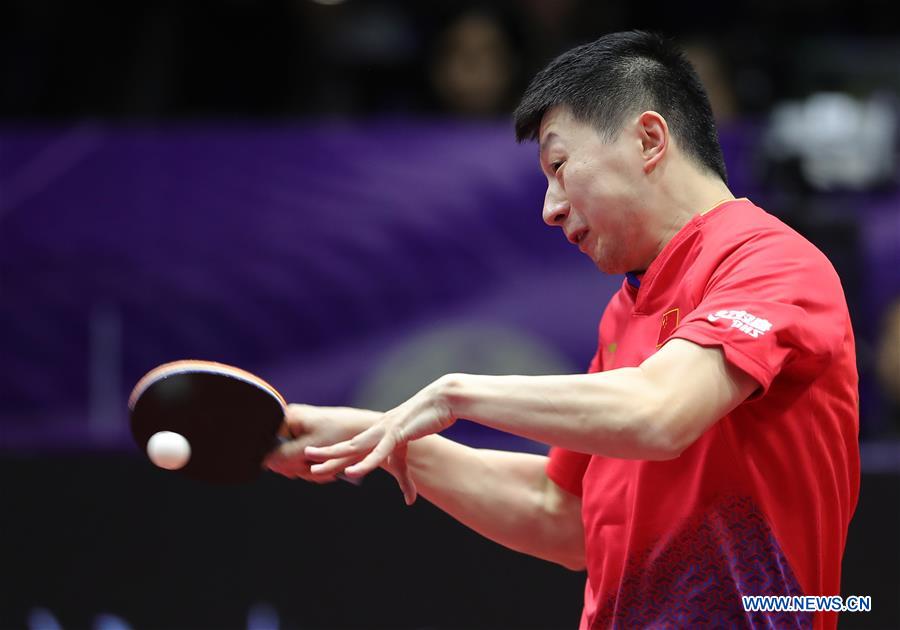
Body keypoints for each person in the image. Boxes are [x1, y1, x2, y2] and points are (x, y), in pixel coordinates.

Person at [267, 31, 859, 629]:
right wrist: (385, 438)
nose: (550, 207)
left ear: (649, 140)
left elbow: (659, 413)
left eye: (559, 166)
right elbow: (562, 512)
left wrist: (455, 395)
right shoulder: (626, 310)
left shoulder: (773, 263)